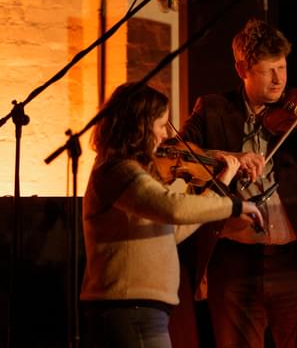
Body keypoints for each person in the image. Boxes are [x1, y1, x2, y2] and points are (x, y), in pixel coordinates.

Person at [180, 18, 297, 347]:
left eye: (282, 67)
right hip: (234, 263)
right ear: (242, 69)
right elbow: (181, 154)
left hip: (296, 261)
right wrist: (230, 156)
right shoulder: (212, 110)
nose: (279, 79)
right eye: (268, 70)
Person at [80, 82, 263, 348]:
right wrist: (234, 205)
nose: (166, 135)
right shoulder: (118, 172)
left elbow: (173, 230)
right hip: (128, 308)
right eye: (161, 124)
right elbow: (173, 207)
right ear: (140, 127)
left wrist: (220, 186)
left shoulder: (135, 174)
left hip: (142, 309)